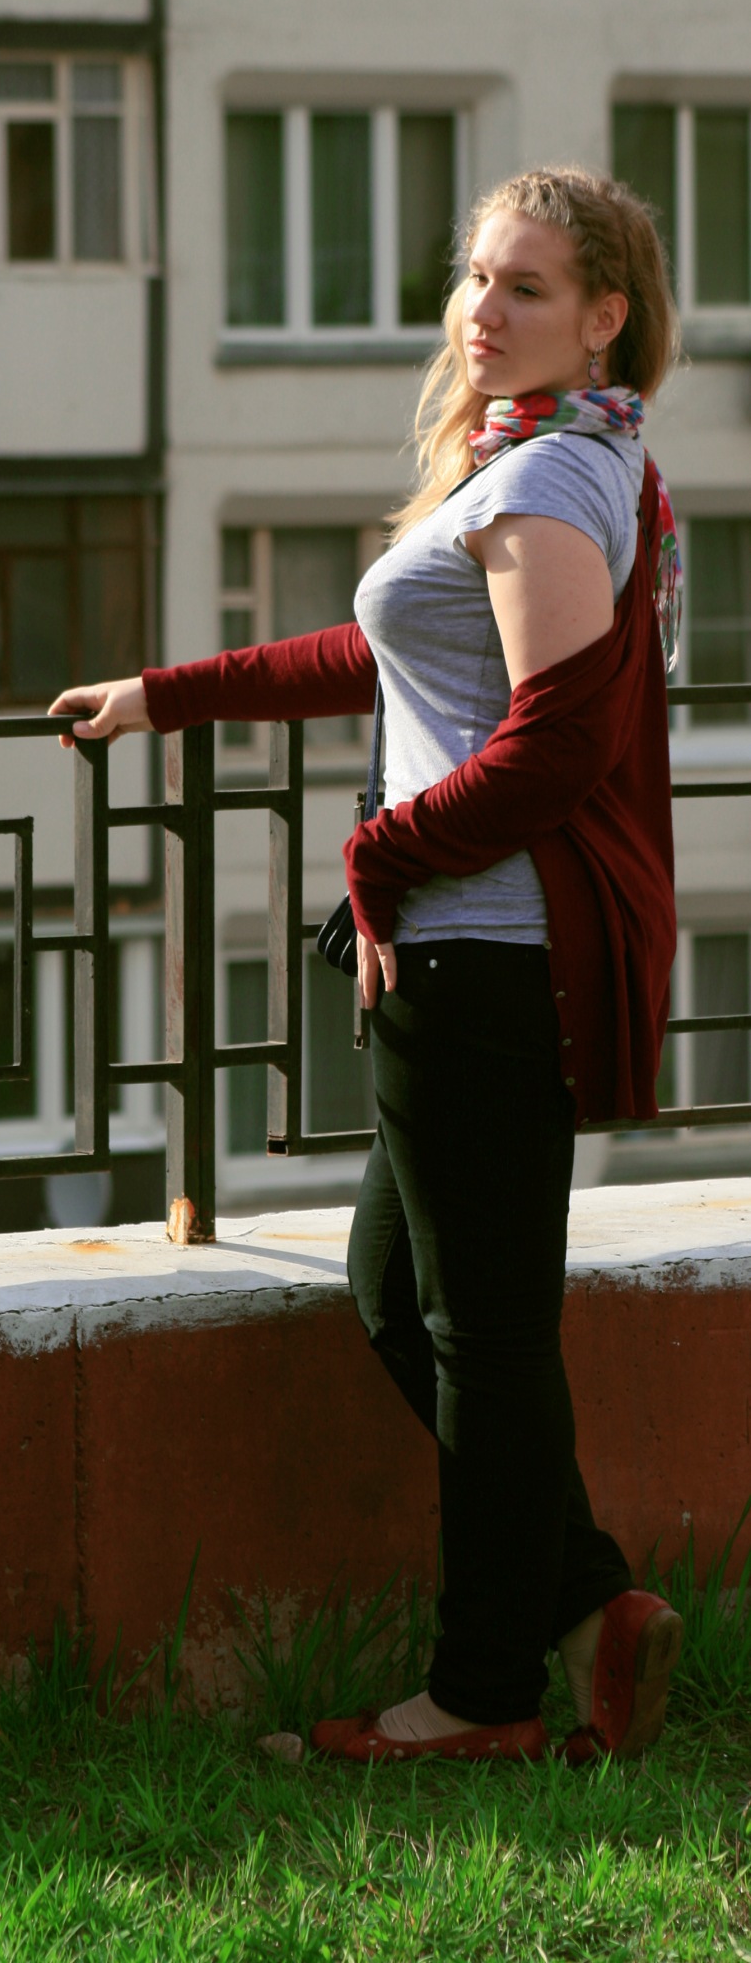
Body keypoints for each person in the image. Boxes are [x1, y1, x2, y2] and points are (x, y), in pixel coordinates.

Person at [50, 165, 685, 1767]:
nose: (481, 310)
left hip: (479, 961)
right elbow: (386, 652)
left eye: (525, 286)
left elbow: (550, 745)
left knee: (481, 1333)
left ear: (602, 317)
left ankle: (478, 1698)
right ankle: (586, 1603)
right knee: (401, 1297)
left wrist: (379, 858)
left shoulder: (553, 480)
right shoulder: (539, 458)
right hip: (466, 962)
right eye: (474, 277)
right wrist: (165, 695)